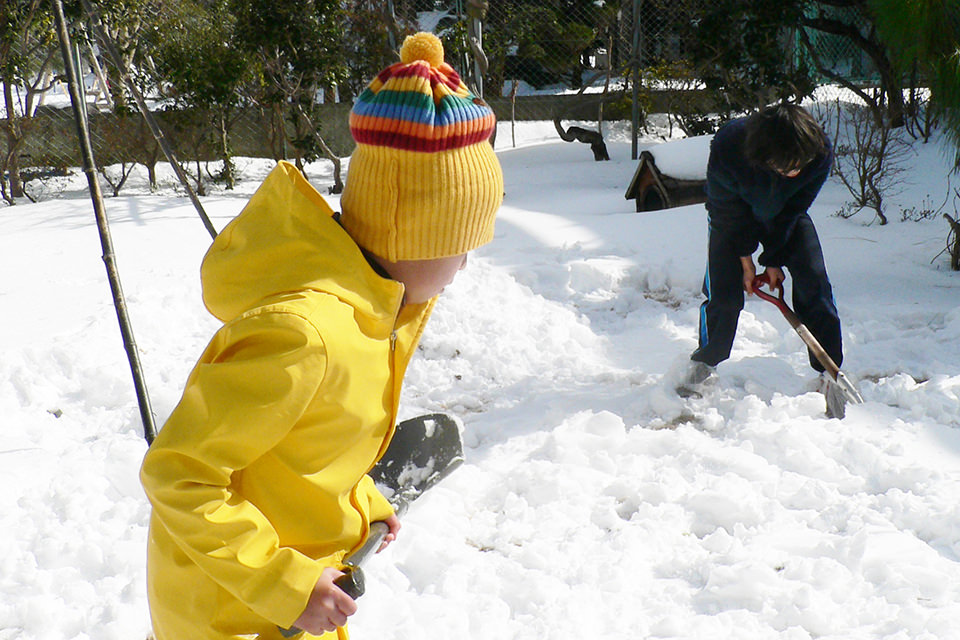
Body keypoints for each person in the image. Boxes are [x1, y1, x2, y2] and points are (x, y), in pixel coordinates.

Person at [139, 32, 503, 640]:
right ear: (409, 237)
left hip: (296, 598)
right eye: (460, 244)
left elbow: (306, 453)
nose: (466, 263)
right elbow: (179, 475)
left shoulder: (377, 312)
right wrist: (284, 584)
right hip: (234, 614)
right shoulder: (302, 336)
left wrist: (361, 504)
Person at [679, 103, 848, 417]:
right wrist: (746, 260)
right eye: (787, 168)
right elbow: (725, 210)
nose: (796, 172)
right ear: (765, 158)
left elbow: (795, 207)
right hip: (732, 218)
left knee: (815, 285)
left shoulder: (819, 152)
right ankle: (705, 361)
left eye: (800, 165)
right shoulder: (730, 146)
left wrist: (774, 259)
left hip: (785, 216)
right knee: (725, 297)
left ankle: (830, 370)